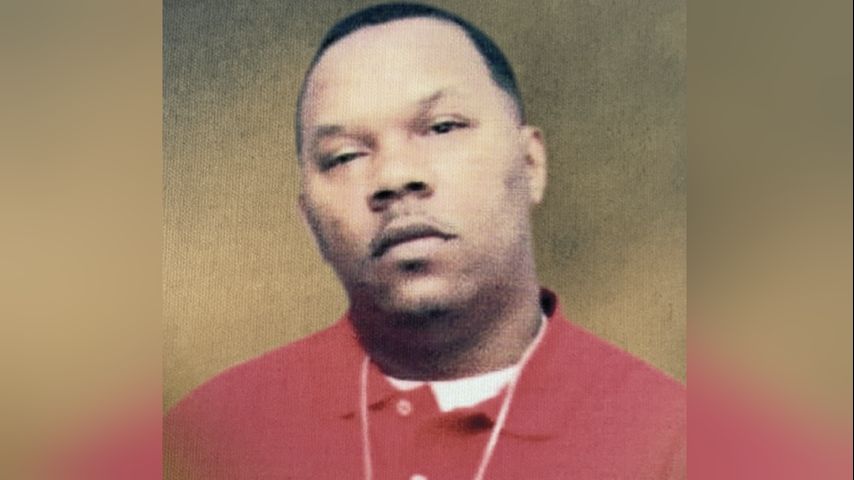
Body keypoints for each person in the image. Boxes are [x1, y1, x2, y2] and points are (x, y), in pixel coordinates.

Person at [164, 3, 685, 479]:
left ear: (530, 165)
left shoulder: (673, 438)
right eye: (346, 156)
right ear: (309, 220)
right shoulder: (208, 437)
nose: (395, 177)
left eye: (441, 128)